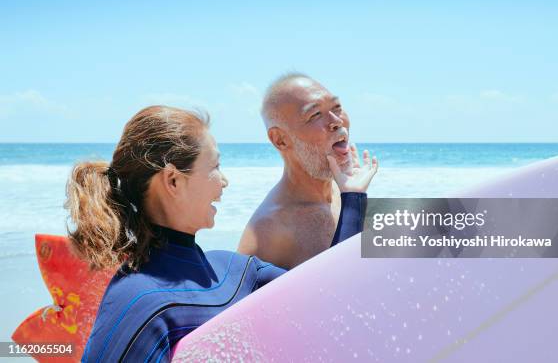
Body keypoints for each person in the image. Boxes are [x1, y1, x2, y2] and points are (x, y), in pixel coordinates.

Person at [68, 105, 378, 362]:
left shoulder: (237, 272)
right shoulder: (140, 302)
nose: (224, 181)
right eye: (215, 166)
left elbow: (329, 296)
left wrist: (351, 197)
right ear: (173, 181)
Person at [238, 73, 367, 269]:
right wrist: (354, 202)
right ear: (280, 139)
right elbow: (342, 288)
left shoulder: (348, 189)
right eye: (315, 115)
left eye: (337, 108)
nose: (336, 121)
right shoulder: (271, 230)